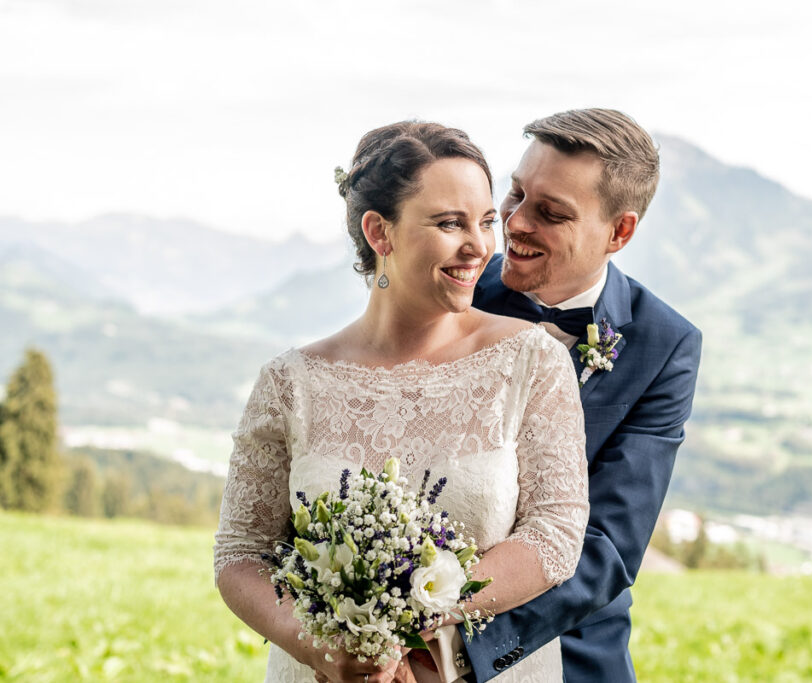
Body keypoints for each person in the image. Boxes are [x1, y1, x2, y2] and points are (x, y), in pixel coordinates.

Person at [213, 122, 589, 683]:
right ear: (379, 233)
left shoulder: (531, 362)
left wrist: (416, 627)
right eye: (449, 223)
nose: (480, 246)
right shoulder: (291, 383)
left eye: (486, 221)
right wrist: (318, 647)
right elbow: (240, 554)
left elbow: (555, 532)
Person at [451, 109, 703, 682]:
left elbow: (608, 545)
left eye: (551, 213)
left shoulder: (665, 345)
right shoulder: (454, 288)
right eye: (515, 193)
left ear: (620, 232)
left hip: (568, 646)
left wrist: (457, 645)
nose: (513, 223)